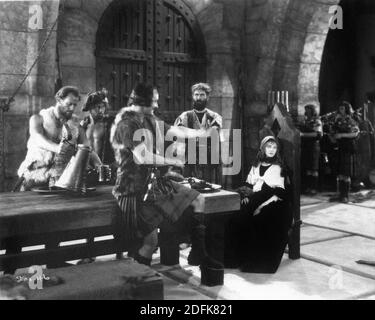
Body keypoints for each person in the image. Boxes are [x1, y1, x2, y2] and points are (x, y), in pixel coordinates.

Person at [110, 83, 222, 269]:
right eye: (154, 101)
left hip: (154, 184)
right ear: (142, 101)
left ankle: (198, 253)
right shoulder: (127, 124)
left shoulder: (148, 119)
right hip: (133, 190)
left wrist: (202, 133)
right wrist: (173, 161)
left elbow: (175, 130)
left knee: (198, 200)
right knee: (150, 243)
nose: (156, 105)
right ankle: (141, 280)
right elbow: (142, 156)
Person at [224, 136, 292, 273]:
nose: (271, 150)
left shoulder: (279, 167)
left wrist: (262, 206)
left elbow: (279, 192)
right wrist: (245, 195)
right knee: (235, 217)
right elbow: (249, 184)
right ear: (263, 148)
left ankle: (255, 261)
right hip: (255, 197)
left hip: (273, 201)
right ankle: (235, 259)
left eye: (274, 147)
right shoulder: (257, 164)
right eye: (269, 147)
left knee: (259, 219)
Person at [17, 86, 102, 191]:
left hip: (59, 180)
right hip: (34, 178)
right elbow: (37, 138)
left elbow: (87, 147)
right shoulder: (38, 119)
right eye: (69, 104)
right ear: (59, 100)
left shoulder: (76, 125)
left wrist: (99, 165)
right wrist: (57, 148)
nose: (72, 108)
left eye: (74, 105)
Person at [174, 83, 222, 183]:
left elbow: (212, 133)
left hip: (209, 159)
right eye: (196, 95)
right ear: (192, 96)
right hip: (189, 158)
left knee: (209, 187)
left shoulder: (214, 116)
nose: (198, 98)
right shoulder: (184, 116)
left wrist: (190, 133)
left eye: (202, 95)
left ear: (207, 97)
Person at [329, 101, 359, 203]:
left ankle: (345, 195)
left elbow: (355, 133)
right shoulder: (337, 119)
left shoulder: (351, 119)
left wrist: (342, 135)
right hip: (338, 147)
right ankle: (340, 193)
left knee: (345, 172)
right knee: (339, 171)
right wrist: (332, 136)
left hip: (347, 147)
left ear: (347, 109)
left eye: (342, 108)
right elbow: (332, 131)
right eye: (340, 108)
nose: (340, 110)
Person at [299, 104, 323, 195]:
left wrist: (303, 135)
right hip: (305, 146)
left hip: (313, 146)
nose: (307, 112)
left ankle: (314, 188)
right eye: (306, 110)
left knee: (313, 168)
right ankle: (308, 187)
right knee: (307, 168)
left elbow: (317, 134)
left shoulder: (317, 121)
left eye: (309, 110)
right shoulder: (305, 121)